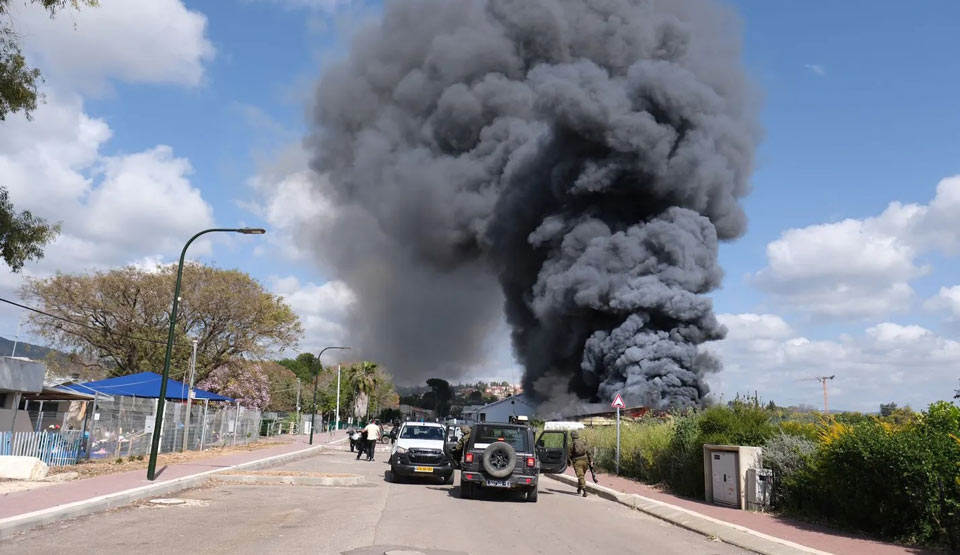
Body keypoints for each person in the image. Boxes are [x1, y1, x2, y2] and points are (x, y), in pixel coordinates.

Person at [567, 429, 592, 497]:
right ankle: (579, 488)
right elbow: (589, 452)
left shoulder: (572, 444)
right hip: (585, 461)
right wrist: (591, 461)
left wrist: (568, 463)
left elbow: (568, 455)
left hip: (577, 462)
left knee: (580, 476)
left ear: (571, 436)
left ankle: (584, 491)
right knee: (582, 476)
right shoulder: (583, 442)